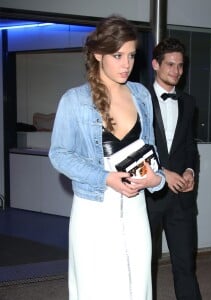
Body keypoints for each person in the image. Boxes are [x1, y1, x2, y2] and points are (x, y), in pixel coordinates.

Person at [49, 15, 165, 300]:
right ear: (98, 54)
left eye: (131, 55)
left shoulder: (141, 94)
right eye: (118, 55)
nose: (126, 64)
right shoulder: (74, 100)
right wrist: (106, 178)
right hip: (94, 211)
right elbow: (59, 155)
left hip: (136, 210)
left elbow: (151, 152)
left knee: (137, 287)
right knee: (97, 289)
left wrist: (155, 179)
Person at [146, 37, 202, 300]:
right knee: (143, 265)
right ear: (155, 64)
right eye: (170, 64)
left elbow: (190, 146)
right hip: (147, 197)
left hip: (181, 198)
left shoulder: (189, 103)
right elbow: (133, 148)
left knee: (185, 265)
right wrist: (160, 172)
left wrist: (190, 171)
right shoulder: (138, 99)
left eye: (180, 65)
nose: (176, 71)